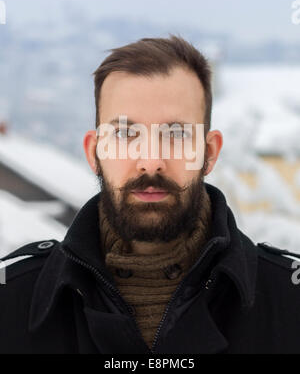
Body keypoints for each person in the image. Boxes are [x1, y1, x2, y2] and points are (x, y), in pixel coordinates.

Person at [1, 35, 300, 354]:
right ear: (94, 153)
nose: (150, 162)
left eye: (175, 135)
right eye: (125, 134)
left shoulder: (289, 303)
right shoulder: (10, 302)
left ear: (209, 153)